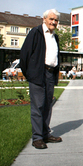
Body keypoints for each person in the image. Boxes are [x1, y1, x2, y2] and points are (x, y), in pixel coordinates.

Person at [20, 9, 62, 149]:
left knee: (47, 106)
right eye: (51, 19)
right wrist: (30, 74)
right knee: (37, 106)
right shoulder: (35, 33)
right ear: (44, 19)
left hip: (50, 74)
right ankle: (37, 138)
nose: (53, 22)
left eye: (56, 20)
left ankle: (45, 134)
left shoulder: (55, 37)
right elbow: (24, 55)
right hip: (38, 74)